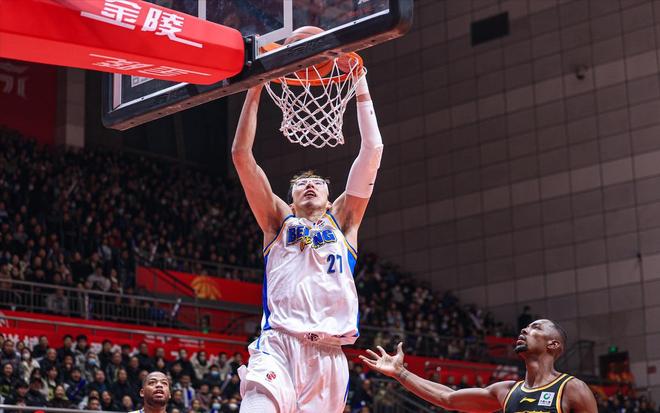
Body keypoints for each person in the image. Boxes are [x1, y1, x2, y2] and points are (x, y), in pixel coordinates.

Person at [232, 66, 383, 412]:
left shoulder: (344, 223)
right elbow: (241, 156)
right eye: (300, 183)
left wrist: (359, 80)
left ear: (330, 200)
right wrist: (254, 88)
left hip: (329, 355)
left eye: (317, 182)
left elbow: (373, 149)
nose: (309, 184)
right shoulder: (278, 222)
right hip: (279, 345)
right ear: (291, 199)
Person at [360, 319, 598, 413]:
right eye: (525, 327)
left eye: (536, 327)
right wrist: (401, 373)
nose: (525, 330)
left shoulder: (572, 389)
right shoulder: (506, 391)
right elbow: (448, 398)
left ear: (553, 345)